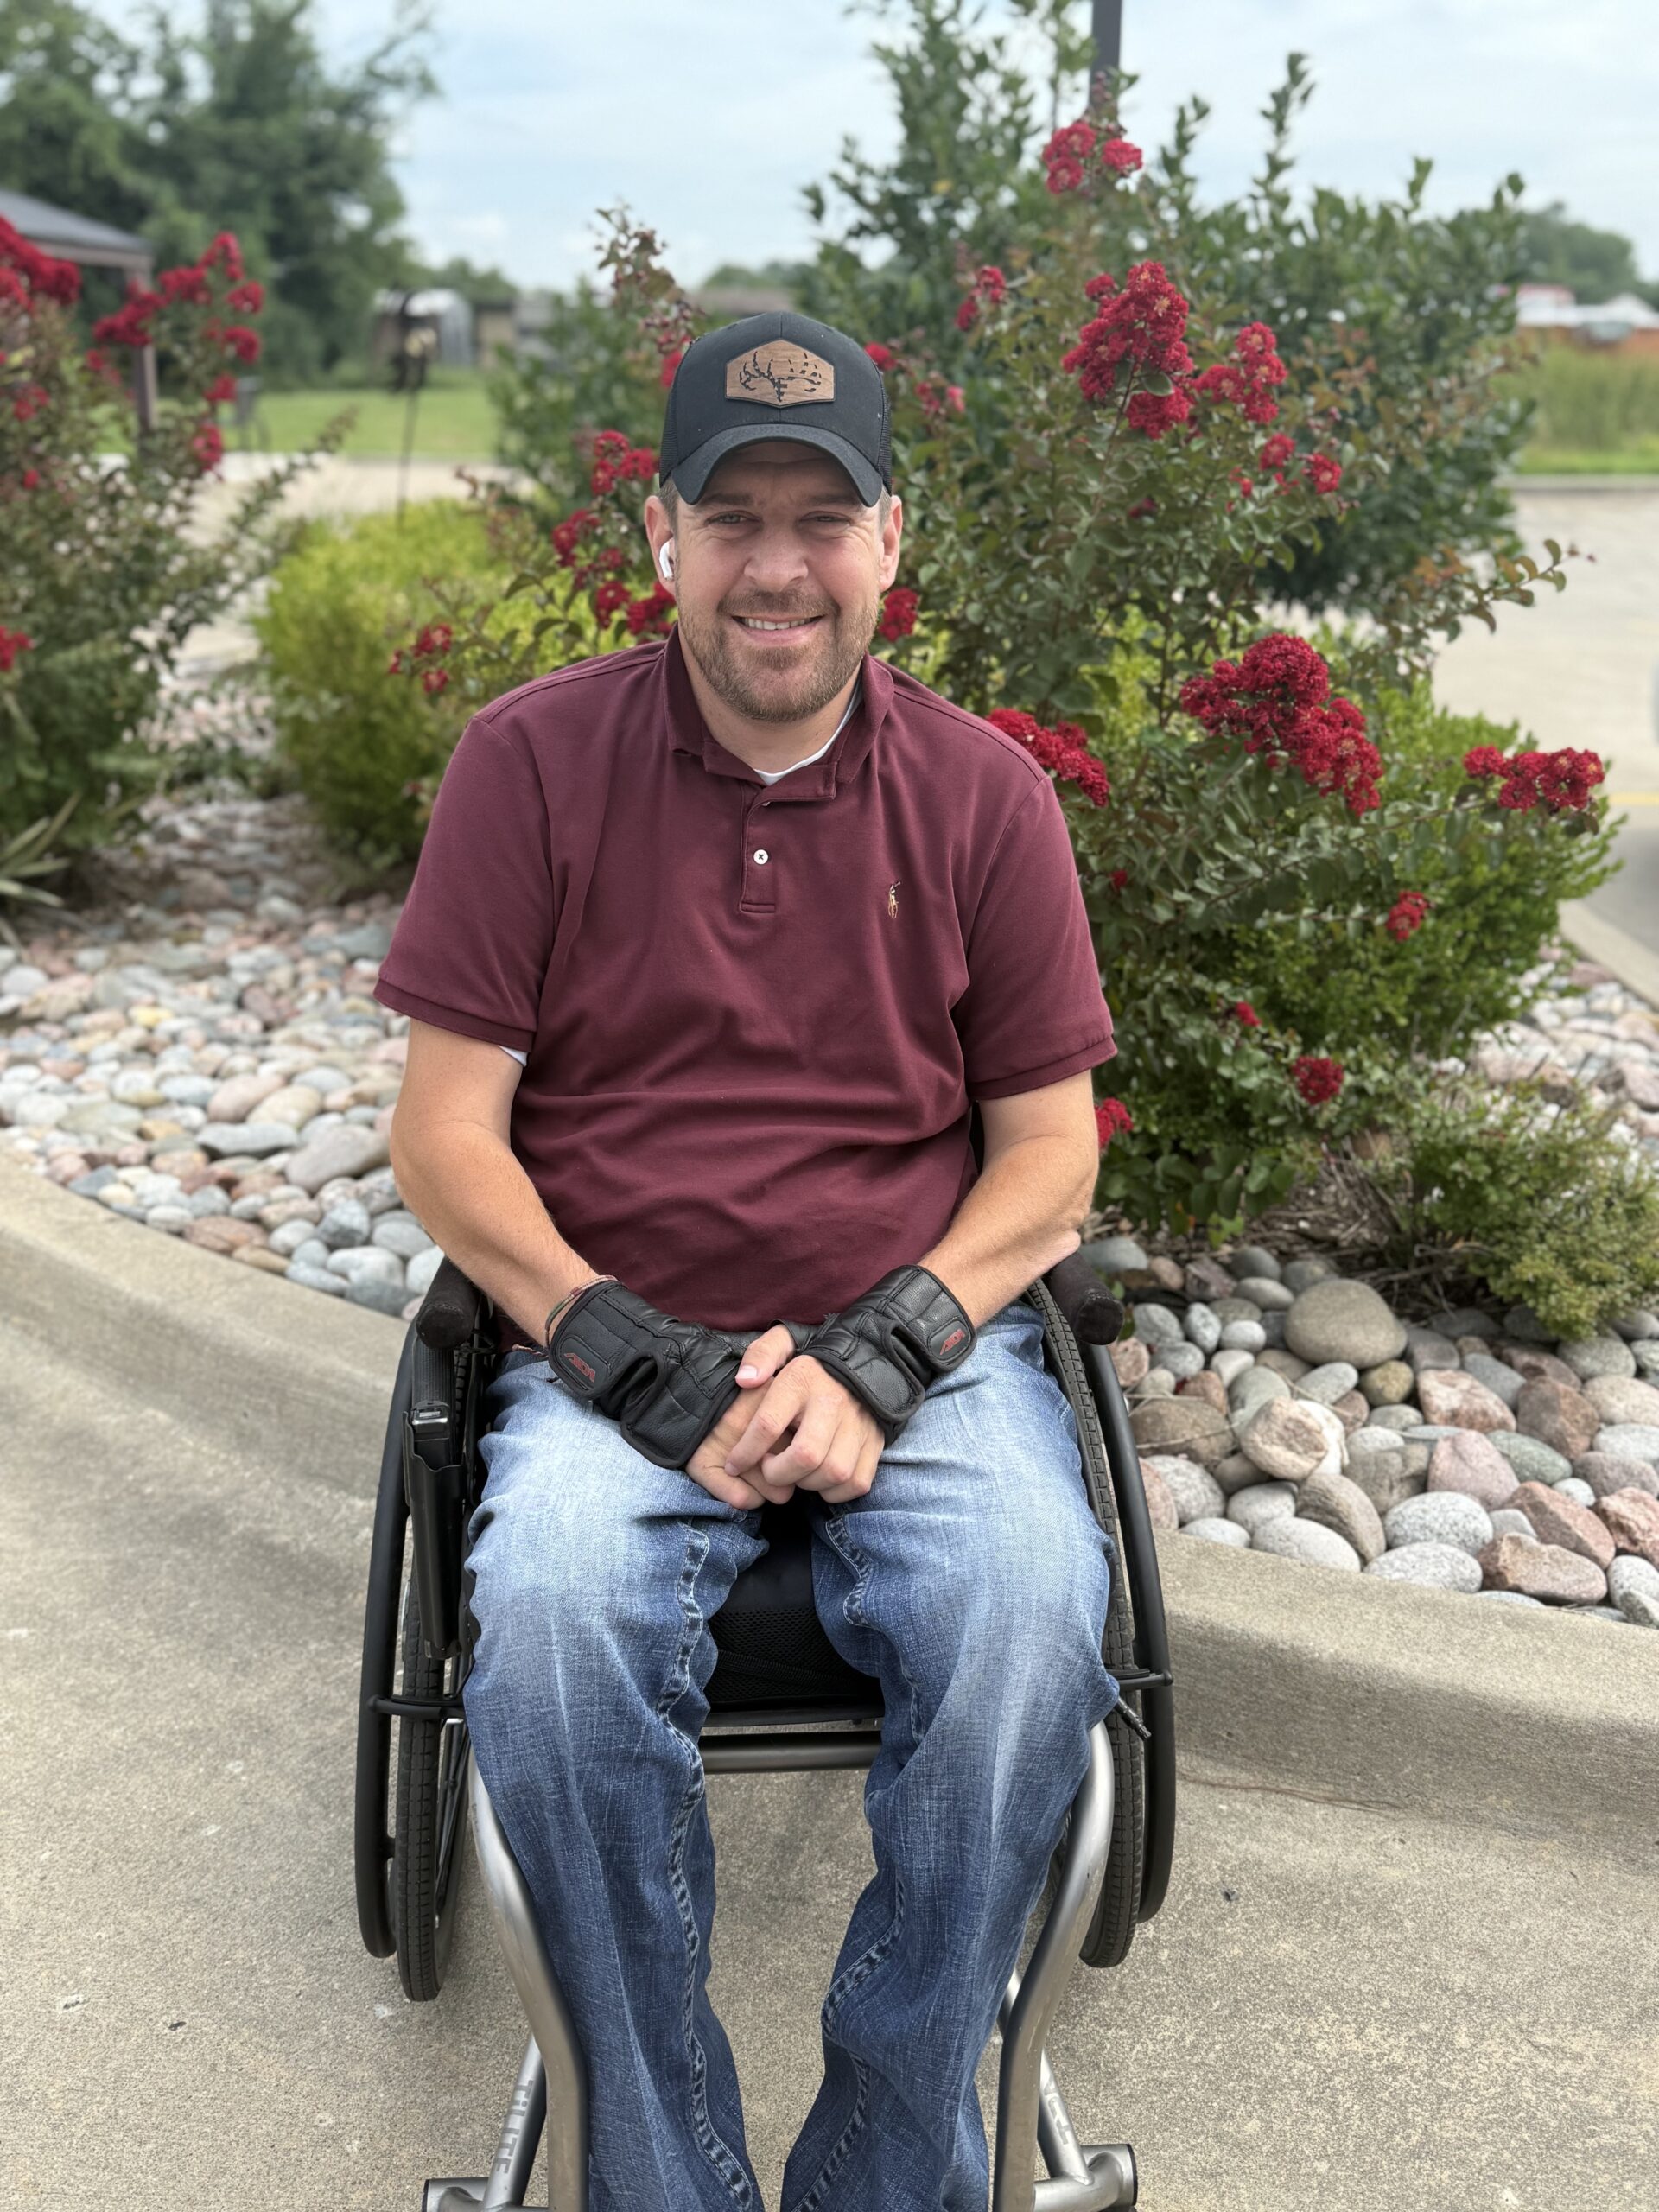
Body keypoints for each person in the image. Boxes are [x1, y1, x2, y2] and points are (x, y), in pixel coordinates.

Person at [374, 308, 1123, 2212]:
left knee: (1035, 1614)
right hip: (612, 1348)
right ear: (663, 537)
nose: (777, 568)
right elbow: (445, 1135)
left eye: (821, 518)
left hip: (921, 1354)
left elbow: (1052, 1157)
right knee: (549, 1635)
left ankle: (886, 2168)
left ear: (891, 540)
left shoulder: (987, 797)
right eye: (733, 519)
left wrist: (885, 1350)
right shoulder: (531, 765)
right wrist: (632, 1357)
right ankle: (665, 2176)